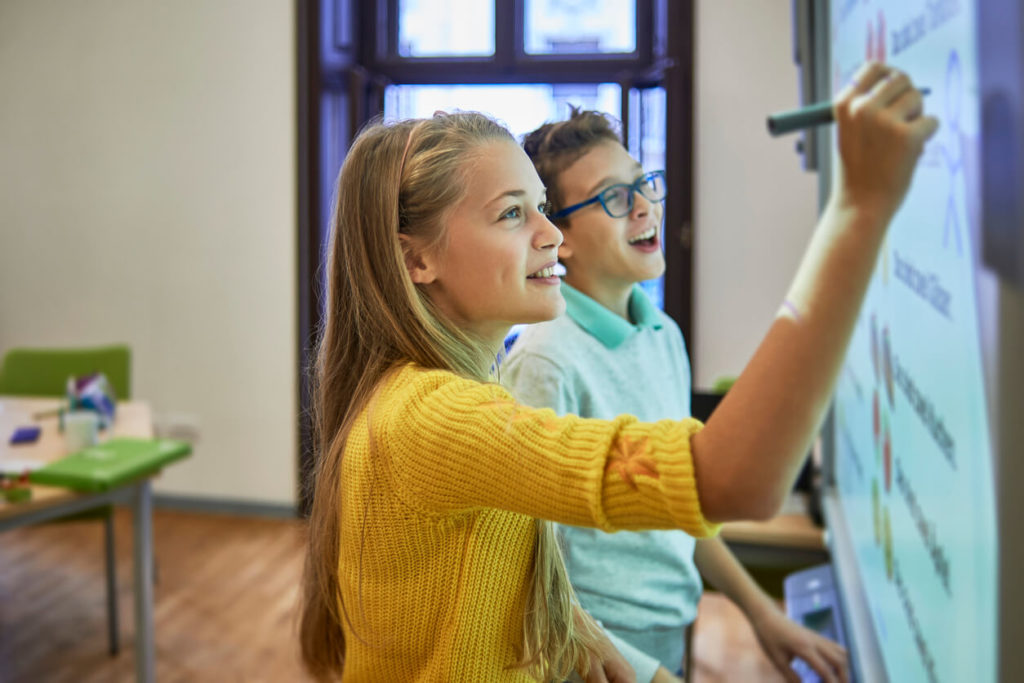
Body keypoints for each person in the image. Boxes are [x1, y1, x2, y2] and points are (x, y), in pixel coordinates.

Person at [299, 62, 936, 682]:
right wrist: (859, 209)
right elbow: (735, 479)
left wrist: (589, 634)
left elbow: (495, 579)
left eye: (542, 206)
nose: (551, 235)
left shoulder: (450, 393)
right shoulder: (437, 416)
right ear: (416, 261)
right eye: (511, 213)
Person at [503, 108, 845, 682]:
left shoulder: (662, 333)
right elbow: (532, 581)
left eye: (642, 183)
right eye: (613, 196)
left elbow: (683, 503)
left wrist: (761, 614)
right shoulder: (544, 362)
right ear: (557, 238)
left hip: (670, 632)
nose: (643, 206)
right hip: (592, 656)